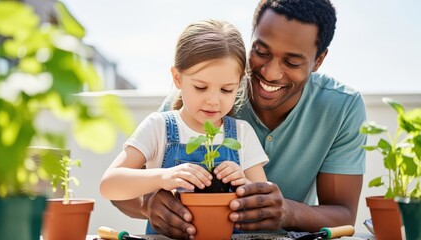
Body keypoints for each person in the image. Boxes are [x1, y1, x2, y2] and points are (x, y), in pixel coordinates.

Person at [111, 0, 367, 239]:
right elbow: (117, 187)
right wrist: (147, 205)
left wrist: (288, 212)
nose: (270, 72)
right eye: (261, 52)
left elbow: (344, 215)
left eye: (291, 61)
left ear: (318, 60)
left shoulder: (342, 107)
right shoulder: (195, 95)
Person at [100, 19, 268, 234]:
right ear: (177, 78)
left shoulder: (242, 134)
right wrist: (164, 177)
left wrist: (242, 183)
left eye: (226, 90)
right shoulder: (158, 126)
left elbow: (262, 203)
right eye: (200, 87)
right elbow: (109, 185)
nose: (213, 100)